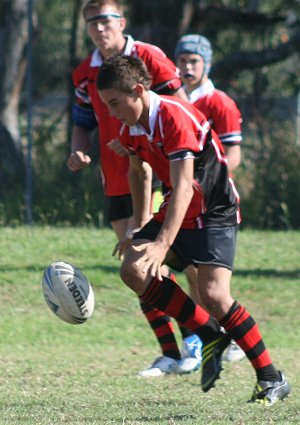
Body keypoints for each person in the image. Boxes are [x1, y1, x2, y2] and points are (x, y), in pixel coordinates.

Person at [96, 54, 290, 405]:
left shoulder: (174, 117)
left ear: (138, 91)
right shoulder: (132, 127)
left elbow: (185, 186)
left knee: (215, 295)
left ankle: (271, 377)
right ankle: (209, 334)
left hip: (214, 211)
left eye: (114, 103)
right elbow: (139, 171)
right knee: (133, 269)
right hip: (178, 208)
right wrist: (139, 226)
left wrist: (161, 243)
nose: (111, 113)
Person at [67, 0, 201, 377]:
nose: (98, 28)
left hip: (158, 174)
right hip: (117, 179)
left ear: (121, 22)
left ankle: (199, 336)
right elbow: (82, 120)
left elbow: (181, 109)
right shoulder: (83, 73)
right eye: (91, 22)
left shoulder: (148, 56)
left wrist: (167, 151)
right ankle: (171, 351)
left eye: (105, 20)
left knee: (165, 260)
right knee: (137, 266)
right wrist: (78, 149)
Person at [174, 33, 245, 362]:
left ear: (206, 65)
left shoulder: (220, 103)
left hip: (212, 203)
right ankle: (209, 337)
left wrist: (205, 178)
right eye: (183, 61)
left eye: (194, 62)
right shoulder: (173, 101)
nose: (187, 67)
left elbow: (234, 155)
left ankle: (225, 337)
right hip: (180, 197)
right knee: (191, 274)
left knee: (208, 281)